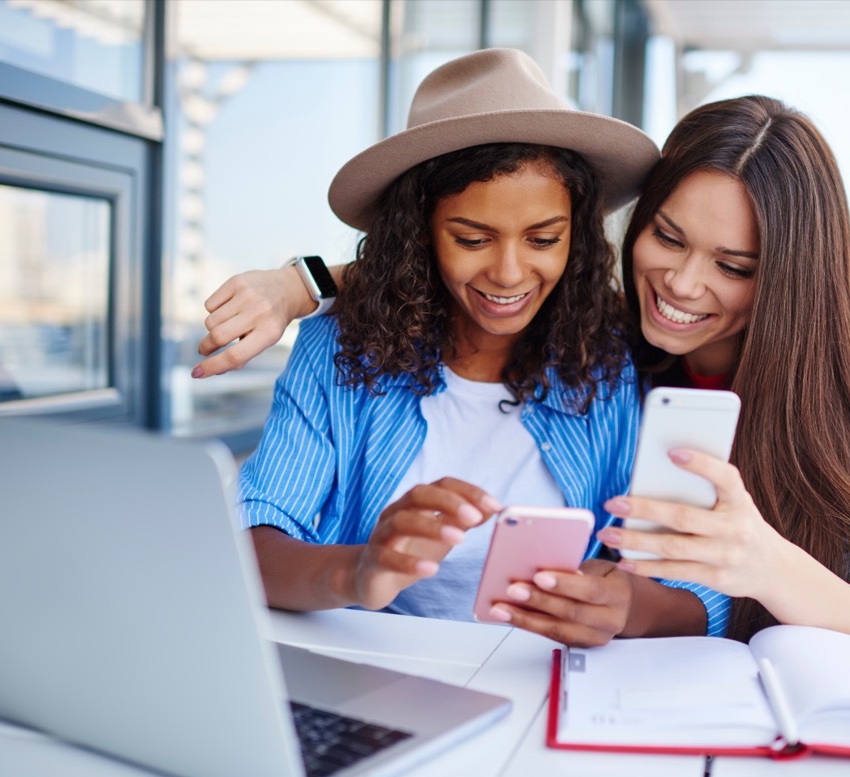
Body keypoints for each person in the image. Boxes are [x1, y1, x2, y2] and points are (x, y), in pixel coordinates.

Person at [200, 91, 850, 664]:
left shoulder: (791, 402)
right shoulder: (619, 337)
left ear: (787, 280)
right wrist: (301, 282)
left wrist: (758, 565)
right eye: (667, 235)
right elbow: (467, 269)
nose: (683, 284)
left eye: (734, 265)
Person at [235, 48, 684, 625]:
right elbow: (255, 541)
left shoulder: (609, 359)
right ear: (419, 234)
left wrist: (628, 608)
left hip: (552, 680)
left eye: (544, 240)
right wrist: (358, 570)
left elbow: (677, 577)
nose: (509, 273)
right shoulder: (337, 352)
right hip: (378, 675)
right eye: (473, 240)